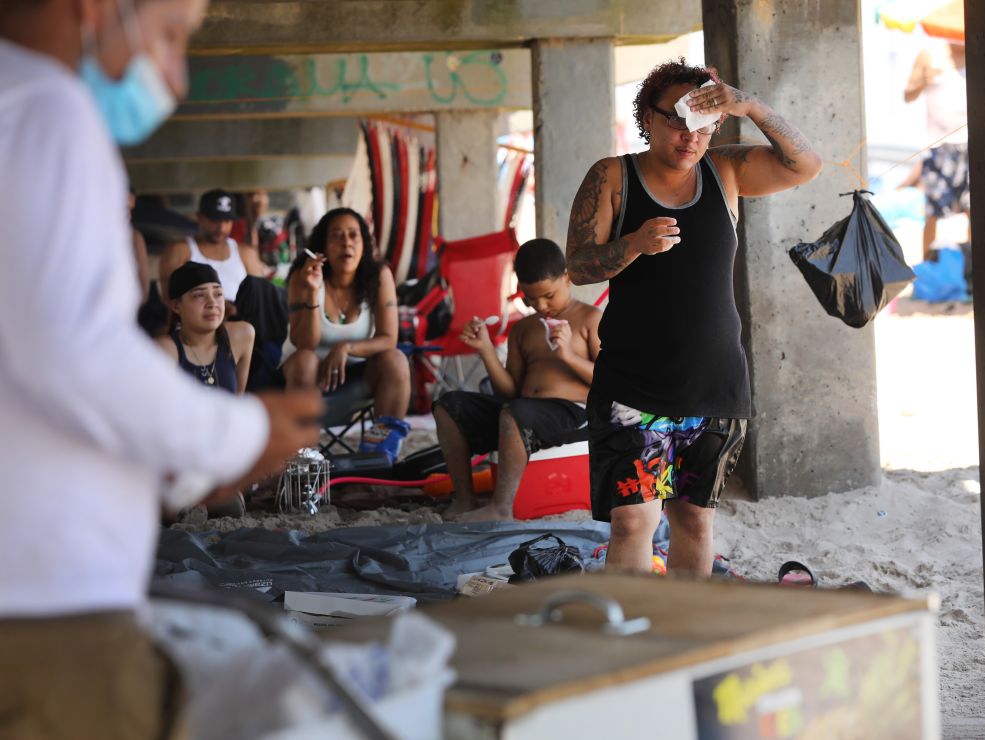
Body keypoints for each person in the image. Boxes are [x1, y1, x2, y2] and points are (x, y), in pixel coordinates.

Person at [0, 1, 322, 737]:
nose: (175, 79)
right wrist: (240, 437)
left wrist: (180, 470)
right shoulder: (50, 109)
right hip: (42, 606)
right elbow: (75, 356)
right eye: (172, 37)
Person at [566, 59, 822, 576]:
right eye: (677, 120)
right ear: (648, 117)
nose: (690, 136)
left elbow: (805, 165)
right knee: (633, 522)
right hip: (633, 386)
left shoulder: (725, 170)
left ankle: (684, 642)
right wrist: (633, 245)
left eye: (704, 123)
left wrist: (748, 104)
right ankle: (633, 641)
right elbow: (577, 265)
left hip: (714, 383)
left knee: (695, 522)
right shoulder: (613, 176)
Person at [434, 238, 602, 521]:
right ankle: (464, 498)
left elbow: (612, 381)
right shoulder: (523, 329)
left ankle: (501, 508)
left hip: (573, 414)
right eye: (530, 298)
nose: (541, 305)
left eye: (549, 295)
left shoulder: (589, 319)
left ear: (567, 278)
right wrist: (486, 350)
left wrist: (568, 356)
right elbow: (509, 390)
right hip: (521, 412)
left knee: (516, 414)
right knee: (448, 406)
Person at [283, 207, 411, 463]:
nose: (346, 243)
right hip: (306, 377)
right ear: (323, 246)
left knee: (395, 360)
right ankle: (307, 462)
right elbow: (304, 343)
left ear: (364, 244)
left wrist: (345, 347)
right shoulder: (303, 276)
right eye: (337, 236)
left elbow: (388, 338)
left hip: (356, 375)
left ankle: (377, 458)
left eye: (354, 235)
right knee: (306, 359)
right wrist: (311, 293)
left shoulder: (378, 276)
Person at [902, 40, 970, 256]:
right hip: (938, 146)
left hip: (971, 143)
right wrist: (923, 80)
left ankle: (972, 269)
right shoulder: (930, 55)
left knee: (975, 210)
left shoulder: (980, 50)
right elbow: (908, 95)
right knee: (932, 213)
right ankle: (926, 270)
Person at [159, 187, 268, 314]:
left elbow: (260, 299)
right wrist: (216, 308)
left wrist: (236, 310)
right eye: (215, 220)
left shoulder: (246, 253)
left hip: (239, 326)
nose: (221, 227)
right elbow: (170, 301)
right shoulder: (179, 250)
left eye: (227, 221)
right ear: (199, 217)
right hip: (194, 330)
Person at [156, 262, 255, 395]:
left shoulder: (241, 336)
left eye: (218, 294)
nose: (212, 303)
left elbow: (236, 402)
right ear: (176, 306)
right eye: (199, 295)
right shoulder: (165, 349)